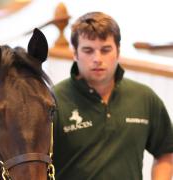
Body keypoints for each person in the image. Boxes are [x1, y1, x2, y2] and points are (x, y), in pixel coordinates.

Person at [52, 11, 173, 180]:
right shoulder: (52, 102)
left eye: (105, 50)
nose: (97, 59)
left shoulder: (144, 97)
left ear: (118, 51)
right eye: (88, 50)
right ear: (75, 53)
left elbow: (166, 151)